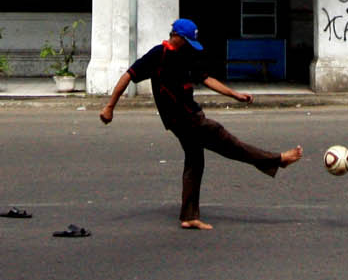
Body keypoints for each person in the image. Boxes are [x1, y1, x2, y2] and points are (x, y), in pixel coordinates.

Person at [99, 18, 303, 230]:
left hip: (188, 115)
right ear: (176, 36)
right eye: (186, 40)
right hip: (184, 118)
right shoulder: (158, 55)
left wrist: (234, 95)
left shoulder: (188, 54)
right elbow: (128, 76)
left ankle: (189, 216)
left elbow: (206, 79)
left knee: (195, 161)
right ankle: (278, 160)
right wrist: (110, 107)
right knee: (228, 142)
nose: (189, 45)